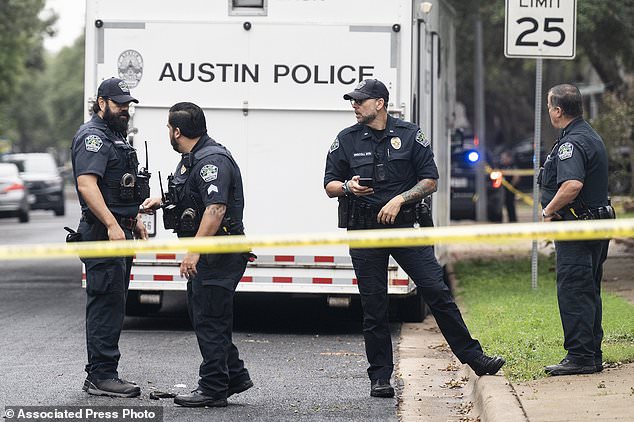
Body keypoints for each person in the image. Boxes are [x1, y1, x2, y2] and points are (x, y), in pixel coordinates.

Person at [323, 79, 505, 398]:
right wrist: (349, 187)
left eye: (360, 101)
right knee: (374, 305)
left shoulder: (409, 135)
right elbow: (329, 185)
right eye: (352, 101)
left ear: (379, 103)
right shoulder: (346, 139)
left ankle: (475, 358)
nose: (354, 105)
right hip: (364, 230)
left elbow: (430, 180)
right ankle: (380, 378)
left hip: (405, 226)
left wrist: (400, 200)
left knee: (437, 290)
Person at [141, 102, 253, 407]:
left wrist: (194, 252)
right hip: (212, 253)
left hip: (218, 253)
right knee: (203, 314)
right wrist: (160, 201)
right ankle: (234, 374)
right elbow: (191, 195)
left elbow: (215, 210)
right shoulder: (191, 160)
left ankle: (213, 388)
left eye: (168, 128)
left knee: (210, 319)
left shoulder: (211, 161)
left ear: (177, 131)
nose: (168, 133)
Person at [71, 77, 150, 397]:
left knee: (115, 304)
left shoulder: (114, 136)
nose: (124, 110)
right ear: (101, 102)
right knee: (105, 304)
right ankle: (100, 376)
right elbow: (87, 185)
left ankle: (104, 372)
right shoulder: (92, 136)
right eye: (118, 104)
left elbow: (118, 188)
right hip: (104, 233)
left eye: (128, 104)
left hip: (119, 230)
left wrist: (133, 221)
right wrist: (113, 225)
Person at [539, 84, 615, 376]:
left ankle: (581, 356)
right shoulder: (587, 134)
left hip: (577, 227)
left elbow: (572, 185)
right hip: (593, 223)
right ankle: (591, 354)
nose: (548, 111)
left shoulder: (572, 143)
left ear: (558, 111)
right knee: (588, 290)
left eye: (549, 107)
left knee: (574, 290)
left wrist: (548, 210)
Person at [499, 150, 520, 222]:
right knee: (502, 205)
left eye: (504, 158)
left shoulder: (513, 166)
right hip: (503, 189)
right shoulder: (502, 166)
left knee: (510, 204)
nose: (502, 160)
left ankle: (513, 220)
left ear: (509, 158)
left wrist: (511, 186)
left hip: (510, 189)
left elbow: (516, 177)